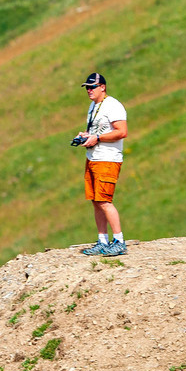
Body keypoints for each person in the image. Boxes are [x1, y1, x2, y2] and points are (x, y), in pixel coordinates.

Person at [72, 72, 128, 256]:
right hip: (93, 158)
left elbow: (122, 132)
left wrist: (97, 138)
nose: (89, 90)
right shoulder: (93, 105)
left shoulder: (113, 106)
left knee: (105, 200)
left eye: (92, 87)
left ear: (102, 87)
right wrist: (86, 136)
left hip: (108, 158)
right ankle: (102, 240)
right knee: (96, 201)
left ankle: (119, 240)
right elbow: (98, 131)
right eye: (87, 87)